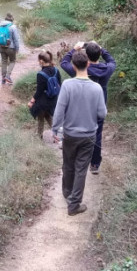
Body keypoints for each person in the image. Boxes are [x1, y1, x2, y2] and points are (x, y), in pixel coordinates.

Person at [52, 50, 106, 216]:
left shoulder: (68, 85)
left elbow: (59, 110)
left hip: (70, 134)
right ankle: (74, 204)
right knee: (81, 168)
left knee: (68, 164)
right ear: (88, 64)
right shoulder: (96, 88)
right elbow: (102, 114)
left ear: (74, 66)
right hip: (88, 135)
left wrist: (55, 129)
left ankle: (67, 193)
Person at [60, 41, 116, 175]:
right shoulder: (107, 69)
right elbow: (112, 61)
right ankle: (95, 164)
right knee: (97, 134)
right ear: (99, 55)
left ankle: (78, 159)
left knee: (78, 130)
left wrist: (73, 49)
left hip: (80, 106)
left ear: (87, 56)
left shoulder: (81, 69)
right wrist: (102, 50)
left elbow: (64, 63)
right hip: (98, 106)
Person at [28, 51, 61, 139]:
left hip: (43, 101)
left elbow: (39, 91)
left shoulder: (40, 74)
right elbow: (59, 84)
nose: (38, 62)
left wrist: (32, 101)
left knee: (41, 117)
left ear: (42, 61)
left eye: (39, 60)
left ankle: (39, 136)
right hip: (53, 99)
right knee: (48, 115)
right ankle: (57, 133)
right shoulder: (56, 70)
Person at [0, 13, 22, 85]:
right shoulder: (13, 27)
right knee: (13, 61)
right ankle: (7, 76)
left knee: (4, 62)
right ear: (11, 20)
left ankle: (3, 79)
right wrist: (17, 48)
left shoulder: (0, 27)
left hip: (1, 47)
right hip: (10, 48)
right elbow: (16, 39)